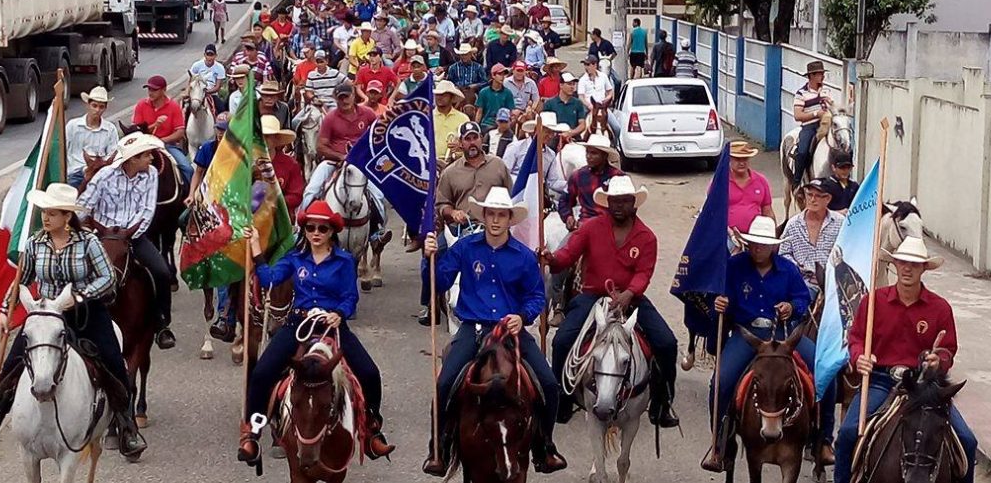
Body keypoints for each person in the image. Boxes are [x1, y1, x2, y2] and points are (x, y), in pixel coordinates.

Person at [0, 183, 147, 460]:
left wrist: (80, 295)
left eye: (52, 213)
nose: (45, 218)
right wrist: (5, 310)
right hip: (46, 315)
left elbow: (107, 277)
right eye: (44, 212)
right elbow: (20, 282)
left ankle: (126, 426)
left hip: (86, 315)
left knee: (113, 362)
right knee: (12, 365)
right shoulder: (34, 244)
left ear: (66, 217)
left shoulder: (88, 242)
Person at [422, 189, 567, 475]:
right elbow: (438, 283)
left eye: (502, 215)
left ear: (510, 219)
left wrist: (522, 316)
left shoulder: (525, 256)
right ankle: (438, 447)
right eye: (491, 214)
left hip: (511, 332)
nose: (496, 220)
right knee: (444, 385)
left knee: (549, 384)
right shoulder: (465, 248)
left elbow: (536, 296)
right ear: (484, 216)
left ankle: (545, 446)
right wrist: (431, 259)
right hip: (473, 329)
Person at [238, 201, 394, 465]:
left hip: (332, 326)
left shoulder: (344, 261)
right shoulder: (294, 258)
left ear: (332, 231)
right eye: (311, 227)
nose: (316, 232)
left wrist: (340, 314)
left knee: (369, 373)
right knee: (262, 372)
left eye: (323, 227)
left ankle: (372, 431)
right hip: (299, 324)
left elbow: (350, 296)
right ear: (305, 229)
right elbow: (269, 279)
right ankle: (252, 432)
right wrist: (255, 247)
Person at [835, 236, 977, 483]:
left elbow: (948, 350)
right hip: (880, 380)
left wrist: (938, 361)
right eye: (902, 262)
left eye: (914, 264)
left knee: (967, 440)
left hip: (924, 386)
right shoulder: (874, 302)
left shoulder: (940, 308)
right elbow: (856, 338)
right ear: (895, 265)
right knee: (847, 434)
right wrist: (860, 357)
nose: (907, 268)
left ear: (924, 268)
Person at [700, 215, 836, 472]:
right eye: (754, 243)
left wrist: (790, 307)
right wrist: (719, 305)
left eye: (763, 244)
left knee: (825, 370)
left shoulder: (788, 269)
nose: (758, 248)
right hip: (747, 335)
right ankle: (719, 444)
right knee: (721, 381)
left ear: (774, 246)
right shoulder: (734, 266)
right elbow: (719, 301)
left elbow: (802, 300)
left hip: (784, 337)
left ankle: (824, 440)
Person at [543, 175, 680, 427]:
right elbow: (568, 255)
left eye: (624, 201)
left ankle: (662, 402)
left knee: (667, 342)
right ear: (607, 203)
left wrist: (629, 294)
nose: (618, 206)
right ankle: (561, 399)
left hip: (632, 297)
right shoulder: (590, 228)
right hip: (593, 296)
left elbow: (644, 272)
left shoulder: (646, 237)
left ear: (634, 204)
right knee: (562, 340)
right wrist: (551, 259)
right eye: (614, 201)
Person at [78, 133, 176, 349]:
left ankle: (161, 323)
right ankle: (76, 318)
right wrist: (78, 227)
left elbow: (147, 211)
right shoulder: (104, 176)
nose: (151, 159)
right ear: (133, 159)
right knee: (78, 269)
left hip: (133, 236)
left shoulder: (150, 174)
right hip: (102, 237)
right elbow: (84, 205)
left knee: (161, 272)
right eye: (147, 155)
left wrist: (128, 235)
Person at [301, 83, 390, 246]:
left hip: (362, 164)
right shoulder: (330, 118)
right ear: (336, 99)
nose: (344, 100)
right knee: (311, 190)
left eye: (346, 96)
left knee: (378, 195)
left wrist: (367, 155)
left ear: (353, 96)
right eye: (340, 97)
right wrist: (341, 156)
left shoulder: (368, 114)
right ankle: (301, 231)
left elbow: (379, 137)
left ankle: (377, 231)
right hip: (333, 162)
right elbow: (321, 146)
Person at [779, 178, 844, 290]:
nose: (812, 199)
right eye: (809, 195)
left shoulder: (840, 222)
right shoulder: (793, 224)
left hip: (832, 281)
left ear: (828, 199)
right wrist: (797, 268)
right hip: (799, 281)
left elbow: (847, 250)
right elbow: (783, 253)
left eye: (818, 196)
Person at [131, 75, 193, 185]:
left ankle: (189, 196)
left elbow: (180, 132)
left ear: (164, 90)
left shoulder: (173, 106)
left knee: (187, 168)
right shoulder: (141, 105)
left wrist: (162, 141)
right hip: (144, 144)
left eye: (154, 90)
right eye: (149, 89)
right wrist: (155, 125)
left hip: (167, 145)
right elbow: (137, 131)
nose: (150, 92)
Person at [558, 133, 623, 229]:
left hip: (611, 226)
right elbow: (564, 200)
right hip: (585, 225)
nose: (588, 156)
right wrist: (568, 217)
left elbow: (627, 207)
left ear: (604, 156)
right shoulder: (578, 176)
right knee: (566, 244)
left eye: (593, 153)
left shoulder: (618, 177)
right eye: (587, 152)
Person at [790, 61, 836, 188]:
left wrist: (831, 106)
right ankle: (797, 181)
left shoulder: (826, 90)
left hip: (827, 124)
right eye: (820, 74)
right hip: (810, 126)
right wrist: (816, 114)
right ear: (811, 76)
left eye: (822, 74)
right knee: (803, 151)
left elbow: (832, 108)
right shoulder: (801, 94)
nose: (823, 77)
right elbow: (798, 116)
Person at [502, 113, 568, 196]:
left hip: (536, 196)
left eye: (553, 133)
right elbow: (504, 175)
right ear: (536, 130)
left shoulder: (551, 154)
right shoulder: (516, 147)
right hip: (515, 194)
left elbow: (552, 182)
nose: (550, 136)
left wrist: (572, 185)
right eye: (547, 132)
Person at [65, 86, 119, 188]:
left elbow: (113, 153)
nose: (97, 110)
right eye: (94, 106)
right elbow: (63, 150)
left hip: (101, 173)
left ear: (105, 108)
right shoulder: (73, 126)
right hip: (76, 173)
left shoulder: (110, 129)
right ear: (88, 105)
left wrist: (99, 166)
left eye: (101, 107)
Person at [728, 141, 776, 234]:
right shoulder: (720, 183)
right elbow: (713, 213)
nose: (742, 163)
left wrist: (773, 234)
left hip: (756, 235)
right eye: (738, 159)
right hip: (727, 235)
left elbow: (768, 211)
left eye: (745, 159)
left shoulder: (761, 181)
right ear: (729, 160)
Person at [261, 114, 305, 215]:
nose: (264, 140)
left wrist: (276, 202)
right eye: (261, 136)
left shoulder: (290, 164)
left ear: (276, 139)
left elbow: (296, 195)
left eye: (268, 136)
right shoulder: (246, 162)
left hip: (280, 218)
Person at [188, 112, 229, 208]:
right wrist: (191, 194)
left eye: (223, 129)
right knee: (183, 219)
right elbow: (198, 172)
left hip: (228, 191)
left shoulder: (238, 151)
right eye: (218, 128)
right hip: (207, 189)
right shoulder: (207, 147)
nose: (220, 132)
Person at [542, 72, 588, 141]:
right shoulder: (550, 103)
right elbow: (546, 125)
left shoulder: (578, 103)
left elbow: (582, 124)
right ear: (561, 85)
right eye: (569, 84)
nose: (572, 87)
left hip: (573, 137)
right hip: (554, 138)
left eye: (573, 84)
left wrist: (571, 133)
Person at [433, 80, 469, 163]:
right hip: (431, 163)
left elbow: (469, 142)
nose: (439, 97)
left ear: (452, 97)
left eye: (444, 95)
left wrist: (460, 146)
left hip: (454, 162)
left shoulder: (463, 119)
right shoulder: (428, 117)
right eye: (437, 95)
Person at [475, 63, 515, 130]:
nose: (502, 77)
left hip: (502, 124)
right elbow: (479, 112)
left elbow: (511, 112)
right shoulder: (483, 92)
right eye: (499, 74)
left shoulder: (508, 93)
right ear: (493, 75)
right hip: (486, 124)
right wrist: (476, 127)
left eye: (504, 74)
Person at [189, 44, 228, 111]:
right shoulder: (196, 65)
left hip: (212, 93)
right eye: (208, 55)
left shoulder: (220, 68)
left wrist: (206, 92)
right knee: (185, 107)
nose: (210, 57)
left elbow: (217, 87)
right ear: (204, 55)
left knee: (222, 109)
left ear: (215, 56)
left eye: (212, 55)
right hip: (197, 92)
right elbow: (191, 80)